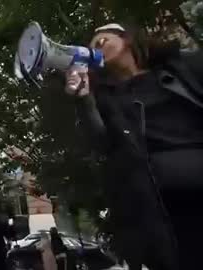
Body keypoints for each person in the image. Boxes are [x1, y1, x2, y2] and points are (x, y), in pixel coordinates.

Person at [65, 22, 203, 269]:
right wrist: (83, 100)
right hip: (162, 216)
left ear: (126, 39)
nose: (97, 49)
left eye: (102, 41)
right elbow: (100, 142)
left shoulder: (183, 68)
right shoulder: (105, 99)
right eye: (92, 48)